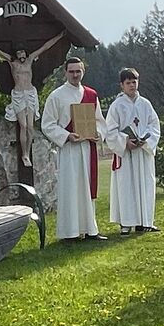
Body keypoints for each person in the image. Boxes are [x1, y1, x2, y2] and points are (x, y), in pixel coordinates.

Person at [40, 56, 108, 241]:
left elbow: (100, 121)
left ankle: (90, 230)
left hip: (87, 148)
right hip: (69, 150)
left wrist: (97, 133)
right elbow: (47, 124)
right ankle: (69, 232)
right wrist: (66, 135)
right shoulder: (56, 96)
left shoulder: (91, 95)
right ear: (65, 72)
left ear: (83, 72)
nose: (75, 75)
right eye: (72, 71)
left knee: (87, 189)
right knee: (70, 189)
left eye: (78, 71)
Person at [0, 32, 65, 166]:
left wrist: (59, 36)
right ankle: (24, 154)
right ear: (16, 54)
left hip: (30, 93)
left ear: (25, 52)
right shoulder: (12, 62)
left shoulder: (30, 59)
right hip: (18, 95)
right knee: (23, 125)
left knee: (30, 126)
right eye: (18, 53)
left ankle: (27, 152)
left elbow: (46, 47)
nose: (21, 55)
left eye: (22, 52)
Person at [106, 68, 161, 234]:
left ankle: (145, 221)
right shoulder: (117, 106)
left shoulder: (145, 104)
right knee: (126, 187)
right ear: (122, 85)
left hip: (143, 153)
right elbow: (110, 130)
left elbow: (154, 125)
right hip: (127, 155)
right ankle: (126, 223)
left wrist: (146, 139)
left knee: (146, 185)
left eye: (134, 82)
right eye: (128, 82)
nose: (132, 85)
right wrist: (124, 141)